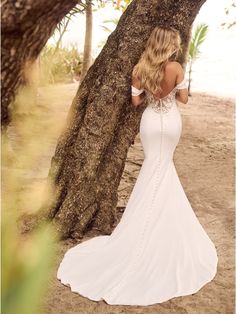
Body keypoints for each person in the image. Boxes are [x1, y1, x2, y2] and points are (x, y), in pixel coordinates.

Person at [57, 26, 218, 306]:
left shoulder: (140, 68)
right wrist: (177, 87)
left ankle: (146, 223)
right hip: (171, 125)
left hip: (151, 123)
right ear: (168, 45)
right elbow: (183, 99)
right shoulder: (177, 67)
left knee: (153, 168)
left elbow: (135, 101)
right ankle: (155, 226)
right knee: (163, 168)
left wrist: (149, 93)